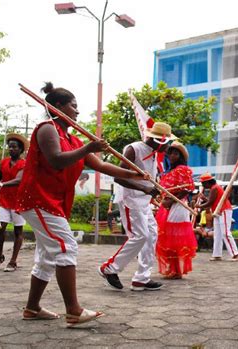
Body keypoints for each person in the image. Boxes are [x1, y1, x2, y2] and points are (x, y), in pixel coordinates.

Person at [16, 82, 144, 326]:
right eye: (73, 106)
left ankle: (32, 308)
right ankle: (73, 310)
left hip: (52, 201)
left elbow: (102, 166)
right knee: (65, 247)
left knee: (47, 256)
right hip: (38, 198)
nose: (77, 111)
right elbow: (55, 161)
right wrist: (90, 146)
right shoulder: (47, 129)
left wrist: (136, 175)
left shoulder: (72, 139)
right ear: (59, 107)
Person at [98, 122, 175, 291]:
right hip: (130, 200)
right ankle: (109, 268)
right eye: (167, 142)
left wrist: (151, 192)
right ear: (157, 141)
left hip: (143, 201)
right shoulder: (133, 149)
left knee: (151, 235)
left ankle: (142, 278)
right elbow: (118, 177)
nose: (168, 146)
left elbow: (148, 180)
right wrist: (144, 188)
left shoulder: (155, 154)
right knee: (139, 236)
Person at [155, 142, 196, 279]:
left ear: (180, 156)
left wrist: (170, 200)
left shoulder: (182, 169)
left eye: (176, 153)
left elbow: (186, 189)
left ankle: (176, 271)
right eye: (170, 153)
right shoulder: (170, 171)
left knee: (174, 238)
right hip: (169, 205)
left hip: (178, 206)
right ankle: (173, 270)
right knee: (168, 237)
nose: (172, 155)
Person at [0, 133, 28, 272]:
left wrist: (1, 184)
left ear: (20, 149)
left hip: (18, 201)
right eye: (10, 147)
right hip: (4, 200)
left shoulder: (24, 164)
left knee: (18, 231)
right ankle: (0, 256)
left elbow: (19, 179)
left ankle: (13, 261)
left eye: (14, 147)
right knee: (1, 228)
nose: (11, 149)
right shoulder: (4, 161)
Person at [196, 173, 238, 262]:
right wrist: (204, 199)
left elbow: (210, 203)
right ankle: (217, 255)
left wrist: (199, 206)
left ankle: (235, 254)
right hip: (217, 212)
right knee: (217, 234)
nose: (203, 185)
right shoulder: (214, 188)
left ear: (208, 182)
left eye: (203, 183)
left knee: (225, 233)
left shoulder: (215, 188)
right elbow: (212, 201)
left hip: (223, 210)